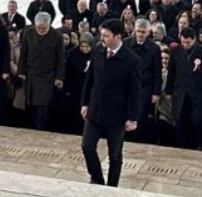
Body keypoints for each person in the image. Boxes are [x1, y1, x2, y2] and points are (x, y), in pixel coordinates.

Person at [81, 19, 141, 187]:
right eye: (102, 35)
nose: (103, 39)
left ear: (117, 37)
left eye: (106, 36)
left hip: (117, 114)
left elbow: (135, 91)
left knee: (114, 155)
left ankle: (112, 185)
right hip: (95, 109)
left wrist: (132, 117)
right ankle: (97, 178)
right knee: (87, 146)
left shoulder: (131, 60)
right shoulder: (98, 51)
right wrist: (85, 103)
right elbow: (90, 79)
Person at [166, 27, 202, 150]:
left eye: (188, 42)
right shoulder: (176, 51)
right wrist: (169, 91)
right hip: (180, 91)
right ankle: (181, 146)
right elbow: (171, 72)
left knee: (195, 121)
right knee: (180, 120)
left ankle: (197, 145)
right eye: (183, 42)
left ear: (194, 40)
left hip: (197, 92)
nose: (185, 45)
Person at [18, 12, 65, 130]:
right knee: (32, 103)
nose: (41, 30)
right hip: (32, 74)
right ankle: (32, 127)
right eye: (38, 27)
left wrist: (59, 77)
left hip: (47, 75)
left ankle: (41, 128)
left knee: (43, 105)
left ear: (49, 25)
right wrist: (21, 70)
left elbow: (60, 59)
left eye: (44, 28)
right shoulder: (28, 33)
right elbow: (23, 53)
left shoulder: (57, 36)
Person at [124, 19, 162, 144]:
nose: (140, 34)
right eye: (138, 31)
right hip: (127, 85)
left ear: (148, 32)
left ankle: (138, 141)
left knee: (140, 116)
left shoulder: (154, 48)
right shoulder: (126, 43)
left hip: (144, 87)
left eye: (143, 32)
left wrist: (156, 92)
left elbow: (157, 71)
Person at [63, 32, 94, 135]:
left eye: (87, 47)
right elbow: (67, 72)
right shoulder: (72, 54)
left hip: (89, 90)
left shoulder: (95, 54)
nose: (84, 49)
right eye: (82, 46)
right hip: (75, 88)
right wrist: (67, 88)